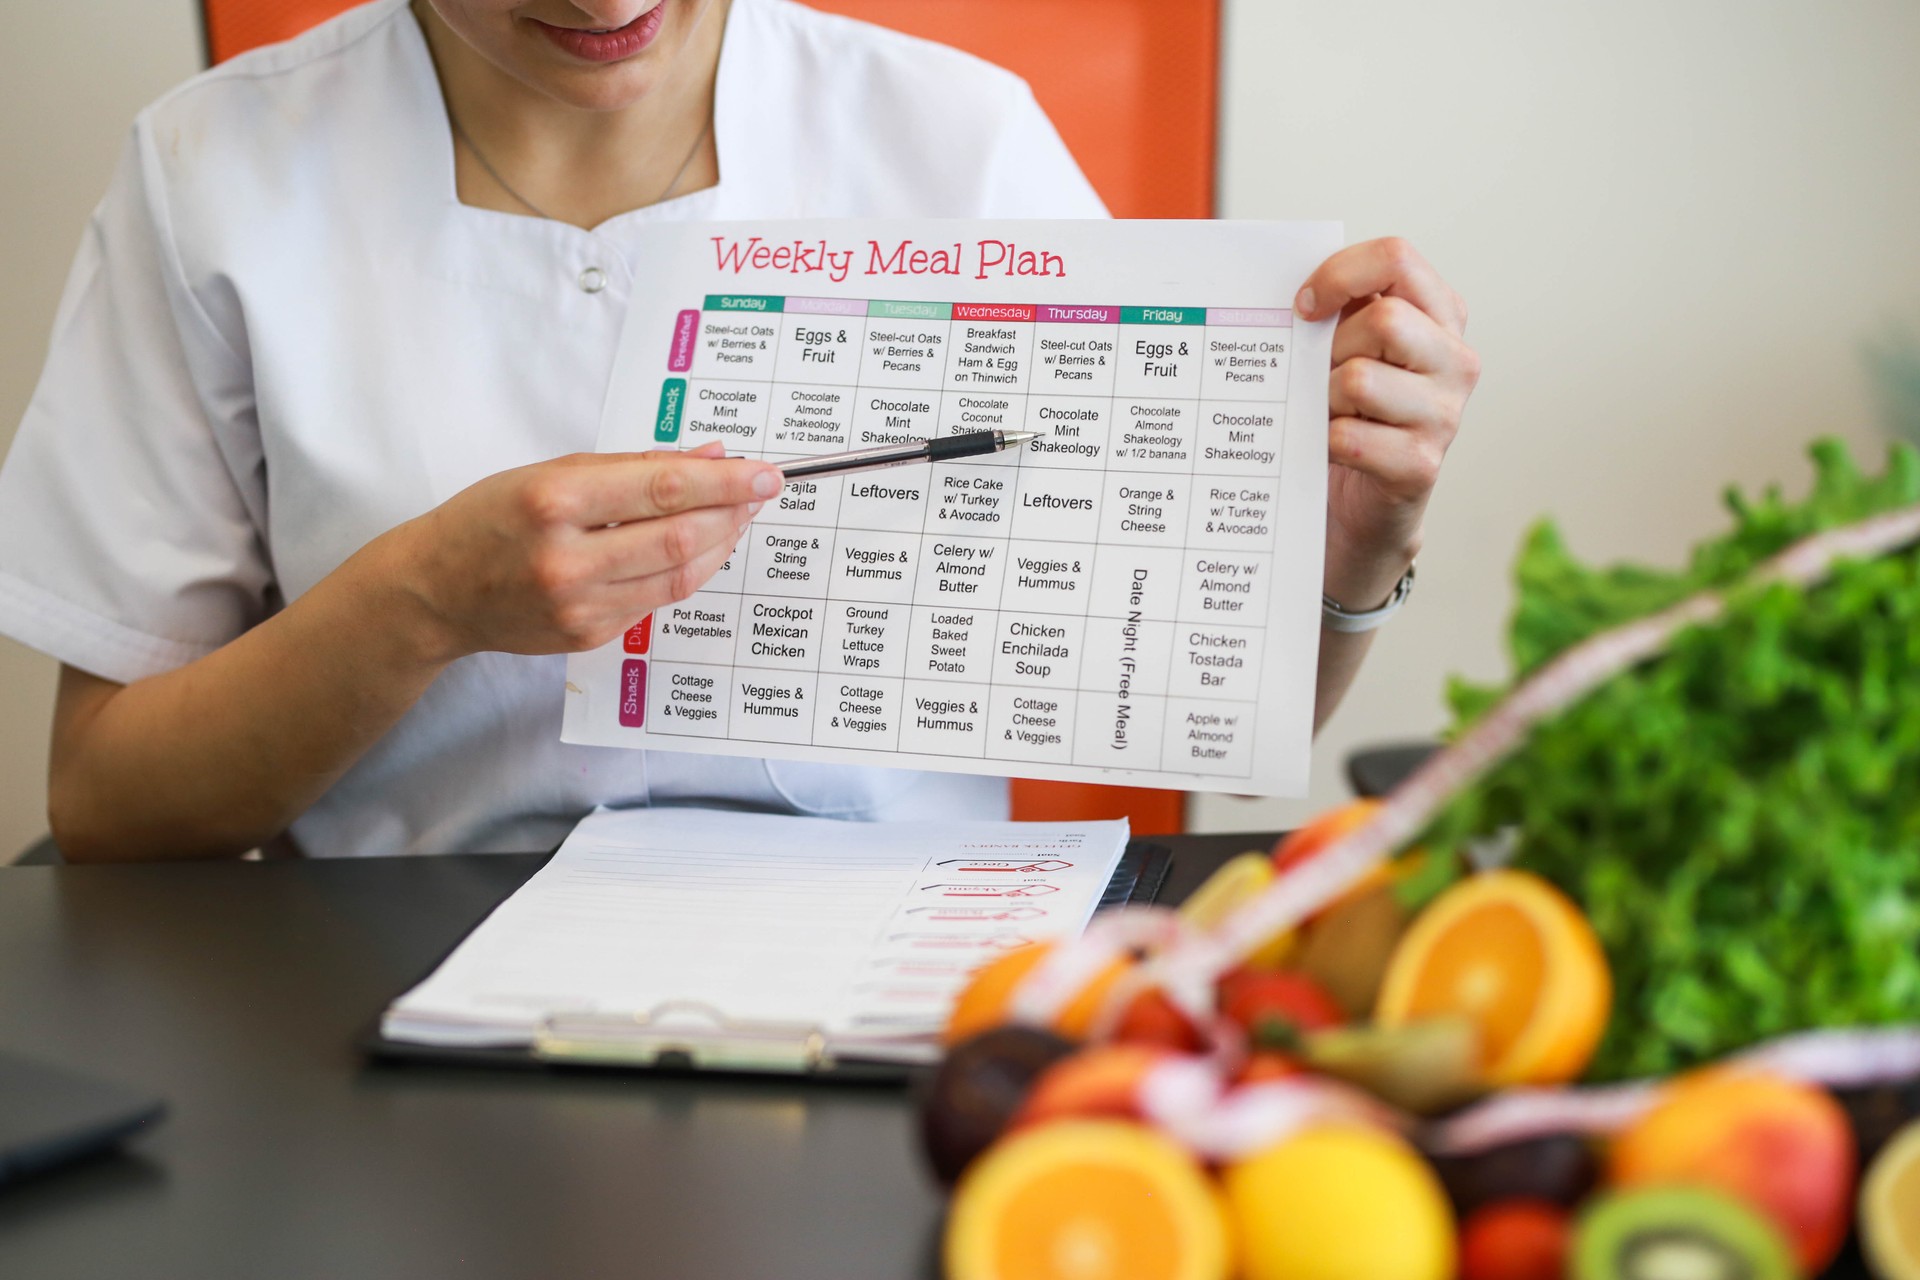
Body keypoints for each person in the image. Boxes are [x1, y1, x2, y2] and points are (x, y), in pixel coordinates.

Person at [0, 0, 1480, 862]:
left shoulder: (957, 143)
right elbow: (110, 802)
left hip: (892, 977)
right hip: (373, 991)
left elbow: (1217, 709)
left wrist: (1350, 549)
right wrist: (419, 602)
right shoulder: (211, 173)